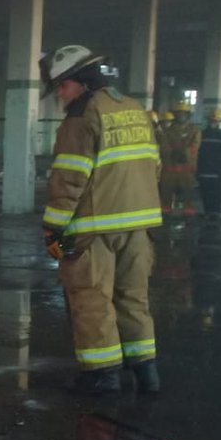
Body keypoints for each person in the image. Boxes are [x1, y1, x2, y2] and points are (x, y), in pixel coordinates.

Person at [40, 45, 163, 395]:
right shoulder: (134, 109)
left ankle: (102, 376)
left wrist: (53, 227)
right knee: (133, 299)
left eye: (61, 87)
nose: (60, 95)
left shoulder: (82, 116)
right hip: (139, 225)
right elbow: (154, 166)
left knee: (91, 300)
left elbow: (69, 179)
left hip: (95, 229)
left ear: (78, 81)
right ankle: (146, 374)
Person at [157, 104, 201, 217]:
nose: (181, 116)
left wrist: (185, 153)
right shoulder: (168, 130)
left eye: (183, 114)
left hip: (186, 168)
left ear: (188, 115)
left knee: (188, 191)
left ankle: (188, 212)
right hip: (170, 167)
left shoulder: (194, 129)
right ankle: (165, 211)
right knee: (166, 191)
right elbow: (164, 145)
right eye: (179, 113)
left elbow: (195, 145)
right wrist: (172, 152)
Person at [196, 107, 221, 220]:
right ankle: (208, 211)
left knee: (216, 192)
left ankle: (216, 212)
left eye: (215, 121)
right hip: (203, 168)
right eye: (212, 121)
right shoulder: (201, 134)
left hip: (216, 169)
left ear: (219, 122)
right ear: (208, 121)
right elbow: (196, 151)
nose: (213, 123)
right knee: (205, 192)